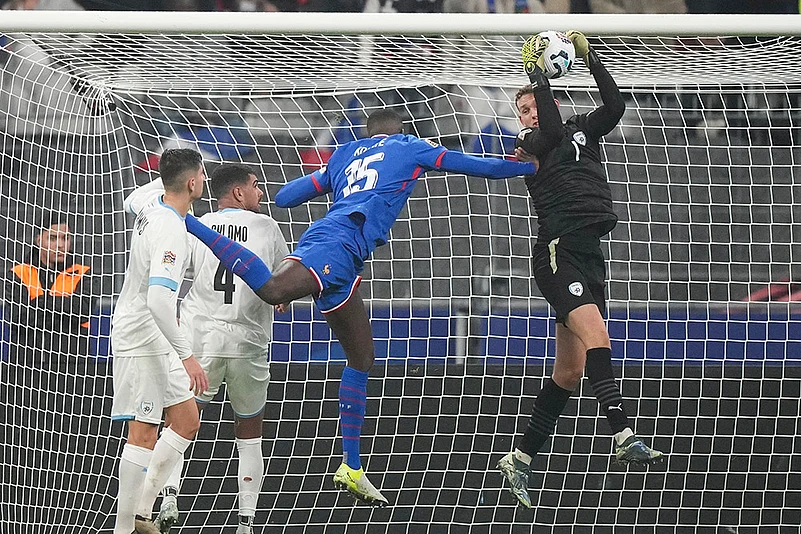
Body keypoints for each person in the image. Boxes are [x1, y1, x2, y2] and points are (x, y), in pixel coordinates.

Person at [181, 108, 536, 506]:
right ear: (401, 129)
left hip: (344, 258)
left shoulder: (344, 153)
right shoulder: (411, 148)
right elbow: (473, 165)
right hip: (335, 244)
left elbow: (285, 197)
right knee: (274, 291)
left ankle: (351, 466)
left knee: (362, 357)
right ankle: (191, 222)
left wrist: (333, 179)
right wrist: (526, 167)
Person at [495, 31, 665, 509]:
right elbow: (546, 131)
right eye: (522, 109)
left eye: (530, 105)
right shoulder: (531, 139)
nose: (527, 115)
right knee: (599, 338)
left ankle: (522, 457)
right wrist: (538, 80)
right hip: (557, 251)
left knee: (569, 371)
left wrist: (591, 58)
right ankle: (622, 430)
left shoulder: (583, 129)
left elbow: (615, 105)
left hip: (590, 252)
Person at [123, 163, 288, 534]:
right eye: (256, 187)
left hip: (201, 337)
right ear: (239, 193)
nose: (261, 194)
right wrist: (284, 299)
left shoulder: (197, 222)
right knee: (250, 431)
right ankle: (246, 522)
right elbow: (279, 283)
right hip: (249, 341)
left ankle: (165, 498)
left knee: (179, 421)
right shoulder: (267, 227)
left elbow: (178, 272)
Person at [110, 148, 209, 534]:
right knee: (143, 430)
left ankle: (141, 512)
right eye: (200, 174)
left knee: (186, 420)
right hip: (143, 334)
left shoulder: (151, 202)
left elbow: (131, 198)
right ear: (191, 182)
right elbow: (157, 300)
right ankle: (123, 528)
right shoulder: (170, 228)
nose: (204, 179)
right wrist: (187, 357)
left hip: (158, 333)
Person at [4, 212, 93, 356]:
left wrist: (41, 302)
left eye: (66, 238)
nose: (61, 245)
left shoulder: (82, 272)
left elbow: (83, 311)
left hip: (73, 364)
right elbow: (18, 318)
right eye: (53, 238)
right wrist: (63, 307)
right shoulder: (18, 273)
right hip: (27, 363)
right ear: (39, 241)